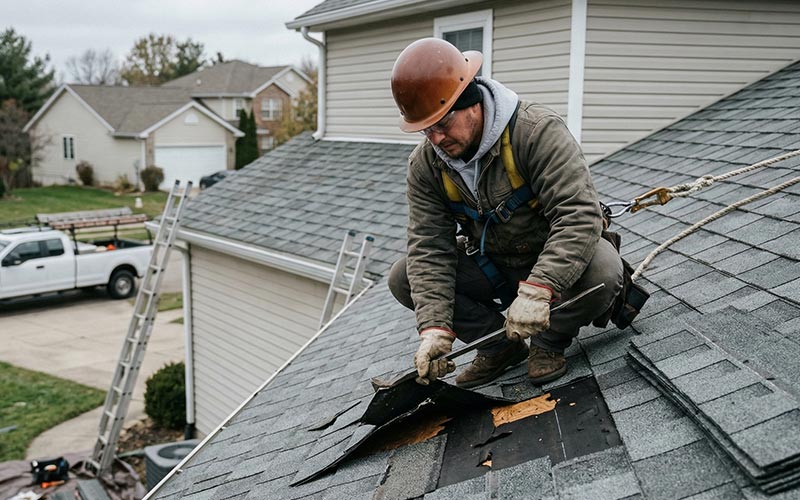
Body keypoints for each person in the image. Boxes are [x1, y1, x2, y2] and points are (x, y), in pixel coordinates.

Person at [387, 37, 625, 388]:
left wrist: (541, 288)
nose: (435, 139)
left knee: (604, 272)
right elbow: (429, 249)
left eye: (442, 124)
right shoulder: (426, 167)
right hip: (493, 267)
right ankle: (500, 348)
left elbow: (577, 216)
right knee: (403, 276)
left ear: (470, 104)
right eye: (426, 129)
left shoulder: (536, 132)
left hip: (554, 259)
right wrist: (434, 328)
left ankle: (548, 342)